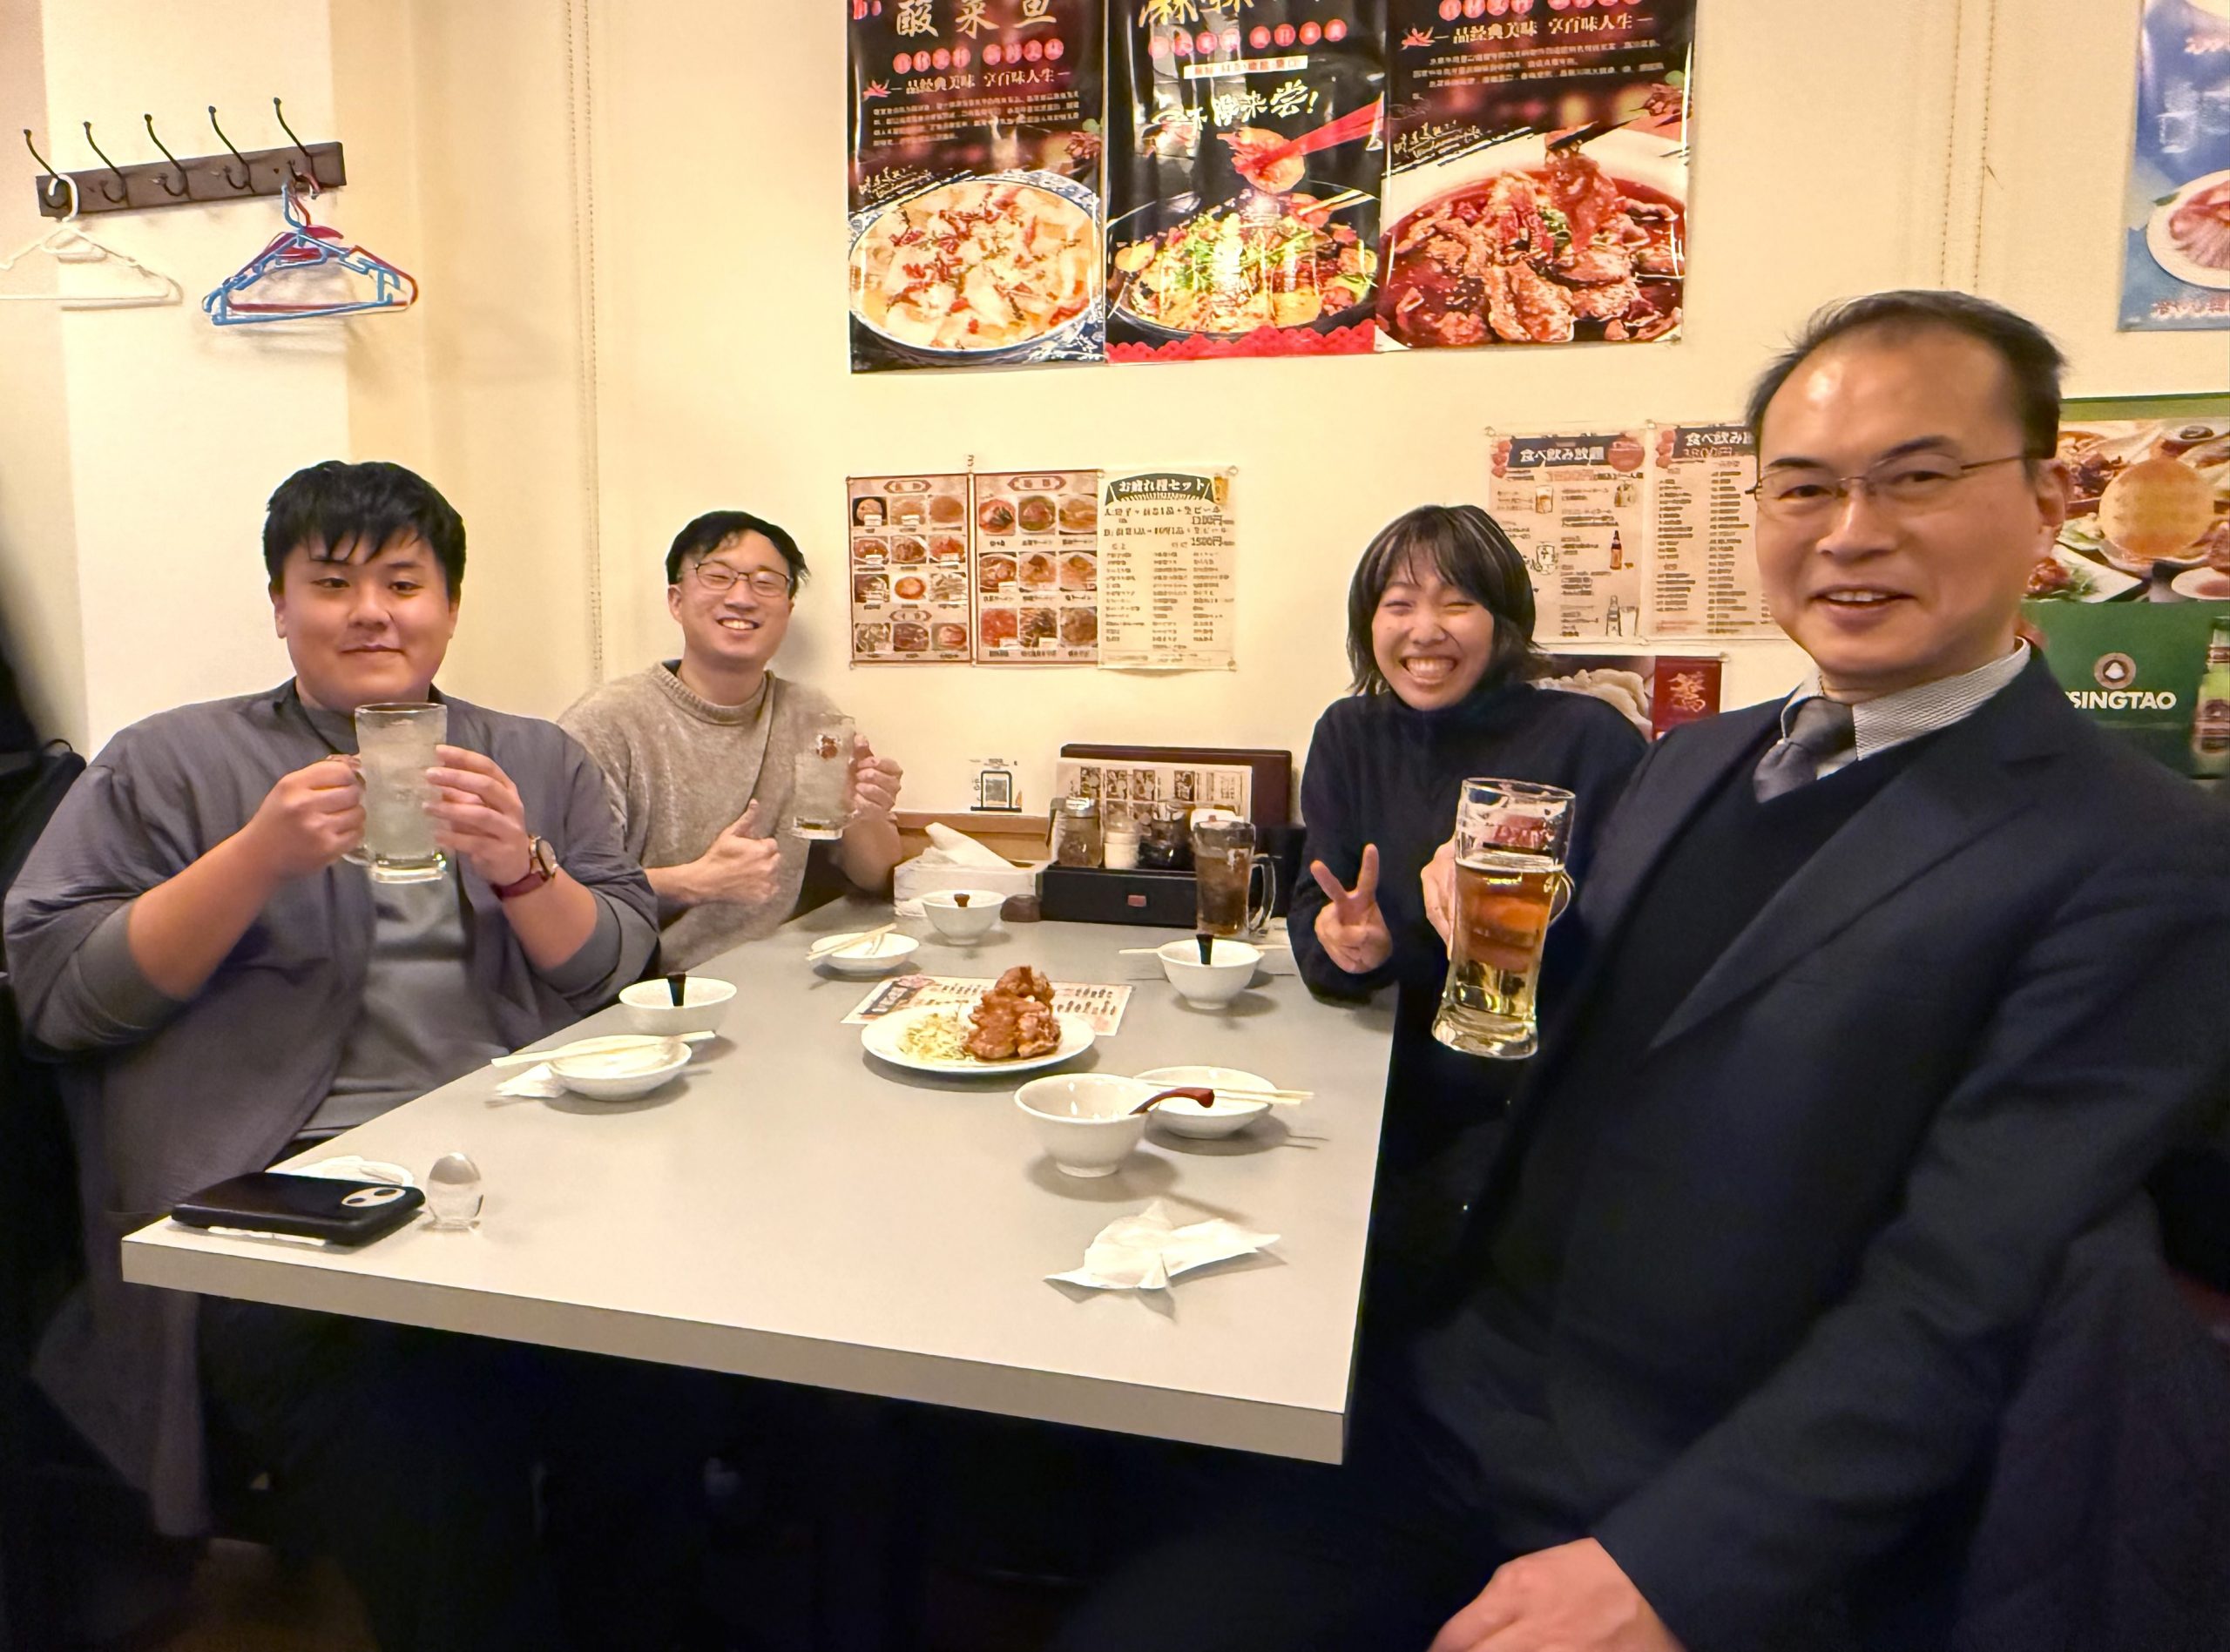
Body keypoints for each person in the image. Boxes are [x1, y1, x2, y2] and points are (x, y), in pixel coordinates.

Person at [1056, 292, 2230, 1652]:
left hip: (1698, 1482)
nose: (1853, 530)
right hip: (1465, 1393)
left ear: (2045, 504)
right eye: (1805, 486)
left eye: (1918, 477)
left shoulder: (2137, 851)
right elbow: (1578, 1039)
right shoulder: (1697, 760)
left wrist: (1677, 1568)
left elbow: (1968, 1286)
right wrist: (1487, 952)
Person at [5, 462, 715, 1650]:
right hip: (279, 1205)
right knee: (432, 1440)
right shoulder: (168, 760)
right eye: (332, 584)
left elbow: (610, 967)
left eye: (403, 582)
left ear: (450, 605)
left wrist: (519, 864)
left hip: (522, 1178)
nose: (372, 612)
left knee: (660, 1386)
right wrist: (254, 858)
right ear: (280, 606)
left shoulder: (533, 758)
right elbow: (61, 997)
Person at [1286, 504, 1644, 1302]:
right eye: (1399, 604)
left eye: (1456, 603)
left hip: (1531, 1109)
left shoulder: (1587, 737)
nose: (1425, 631)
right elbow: (1320, 899)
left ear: (1503, 621)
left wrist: (1535, 892)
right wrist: (1350, 943)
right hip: (1380, 1088)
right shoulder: (1350, 733)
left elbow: (1640, 928)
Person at [560, 509, 904, 972]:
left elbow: (876, 876)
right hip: (651, 986)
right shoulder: (609, 721)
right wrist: (693, 882)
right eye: (718, 576)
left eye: (765, 582)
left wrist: (867, 813)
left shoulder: (811, 715)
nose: (742, 598)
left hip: (784, 974)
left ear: (787, 609)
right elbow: (561, 889)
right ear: (677, 601)